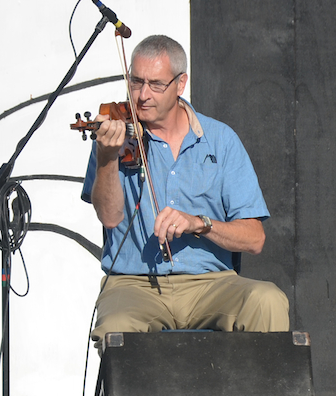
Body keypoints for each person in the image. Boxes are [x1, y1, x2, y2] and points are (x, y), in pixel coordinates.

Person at [81, 35, 289, 343]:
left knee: (268, 299)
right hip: (134, 284)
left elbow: (255, 239)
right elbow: (110, 218)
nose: (142, 95)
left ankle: (260, 392)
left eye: (156, 84)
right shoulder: (116, 136)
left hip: (210, 284)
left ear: (181, 84)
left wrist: (198, 223)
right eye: (135, 82)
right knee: (118, 323)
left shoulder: (220, 139)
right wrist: (107, 157)